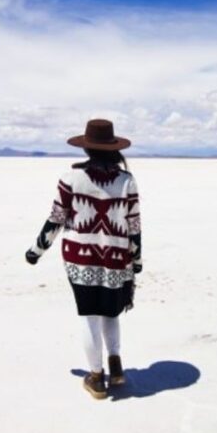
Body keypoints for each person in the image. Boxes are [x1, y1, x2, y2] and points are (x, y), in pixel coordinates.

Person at [25, 118, 142, 400]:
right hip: (116, 258)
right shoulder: (127, 180)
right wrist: (136, 260)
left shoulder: (71, 178)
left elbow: (56, 219)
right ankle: (115, 367)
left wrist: (36, 250)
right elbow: (134, 225)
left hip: (80, 259)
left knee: (90, 316)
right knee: (111, 313)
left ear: (86, 148)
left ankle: (96, 377)